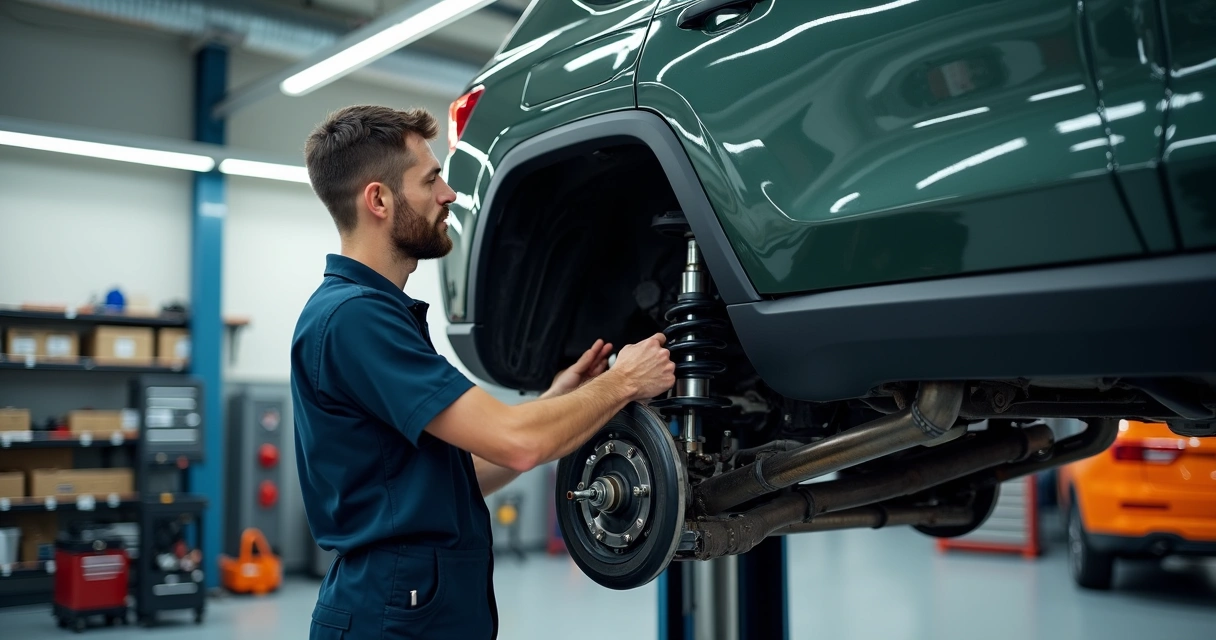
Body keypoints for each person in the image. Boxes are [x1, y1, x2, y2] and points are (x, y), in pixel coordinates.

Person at [291, 105, 676, 640]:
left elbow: (460, 474)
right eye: (431, 180)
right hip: (391, 614)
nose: (448, 195)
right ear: (378, 199)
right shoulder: (357, 318)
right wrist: (624, 382)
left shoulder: (367, 313)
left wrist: (554, 399)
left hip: (408, 603)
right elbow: (516, 445)